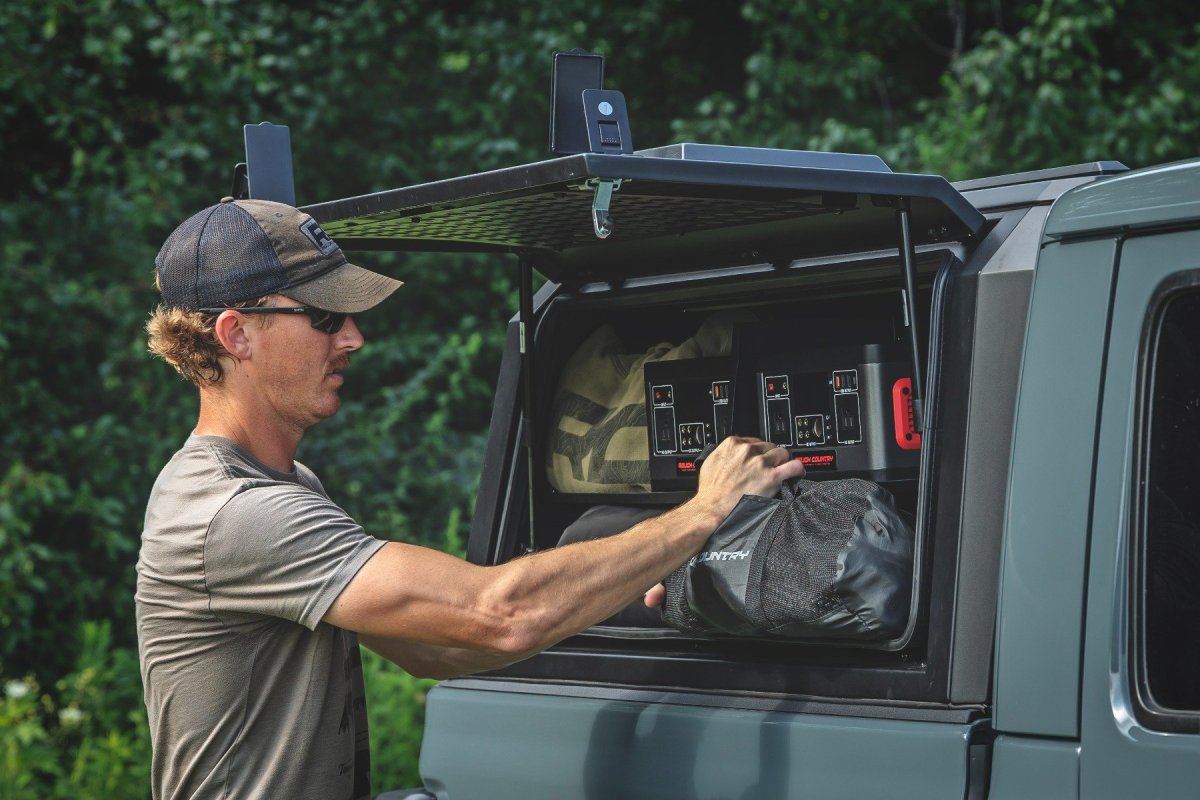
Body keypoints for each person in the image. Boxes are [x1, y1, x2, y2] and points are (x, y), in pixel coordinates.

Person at [136, 197, 805, 800]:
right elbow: (498, 614)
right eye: (324, 317)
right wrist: (706, 510)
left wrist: (639, 574)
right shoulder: (234, 513)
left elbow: (439, 651)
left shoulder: (289, 486)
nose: (353, 338)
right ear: (236, 335)